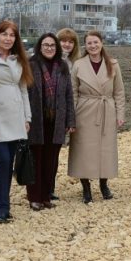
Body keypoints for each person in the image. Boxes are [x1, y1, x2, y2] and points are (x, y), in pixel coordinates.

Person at [0, 20, 33, 223]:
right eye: (4, 34)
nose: (8, 38)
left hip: (15, 114)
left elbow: (23, 90)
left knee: (9, 161)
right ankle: (1, 207)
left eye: (12, 35)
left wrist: (27, 117)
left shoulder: (19, 60)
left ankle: (5, 206)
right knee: (2, 160)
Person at [68, 31, 125, 203]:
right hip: (84, 111)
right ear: (85, 45)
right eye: (89, 43)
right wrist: (72, 117)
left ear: (101, 43)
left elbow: (119, 92)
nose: (93, 46)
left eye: (96, 42)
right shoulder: (78, 65)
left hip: (106, 110)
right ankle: (86, 187)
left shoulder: (113, 64)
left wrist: (120, 114)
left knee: (105, 149)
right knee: (83, 149)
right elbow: (73, 92)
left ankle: (104, 184)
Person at [26, 33, 76, 210]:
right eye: (46, 45)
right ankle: (34, 196)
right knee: (36, 159)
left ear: (57, 48)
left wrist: (71, 120)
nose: (49, 48)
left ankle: (46, 195)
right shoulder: (31, 65)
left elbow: (68, 94)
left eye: (52, 45)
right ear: (40, 46)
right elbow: (25, 92)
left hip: (57, 120)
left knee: (51, 160)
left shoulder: (62, 66)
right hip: (36, 120)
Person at [51, 27, 81, 200]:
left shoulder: (75, 62)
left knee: (56, 151)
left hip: (64, 110)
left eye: (70, 42)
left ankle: (51, 186)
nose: (67, 44)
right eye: (63, 41)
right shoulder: (51, 60)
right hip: (49, 109)